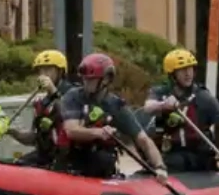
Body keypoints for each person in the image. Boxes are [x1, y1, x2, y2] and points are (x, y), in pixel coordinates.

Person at [57, 52, 166, 180]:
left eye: (91, 79)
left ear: (106, 79)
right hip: (72, 161)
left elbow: (143, 139)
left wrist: (160, 167)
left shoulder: (116, 106)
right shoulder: (73, 97)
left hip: (99, 165)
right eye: (85, 79)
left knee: (103, 158)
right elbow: (71, 130)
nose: (86, 83)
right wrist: (98, 132)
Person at [141, 47, 219, 173]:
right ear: (172, 74)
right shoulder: (161, 92)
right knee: (159, 122)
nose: (188, 74)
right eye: (182, 70)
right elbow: (148, 107)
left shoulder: (203, 97)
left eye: (190, 68)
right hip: (172, 155)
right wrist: (164, 105)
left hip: (199, 157)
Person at [9, 49, 74, 168]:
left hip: (67, 157)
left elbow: (66, 113)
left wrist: (53, 91)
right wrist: (10, 131)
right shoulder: (42, 103)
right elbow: (33, 138)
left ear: (60, 72)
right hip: (45, 156)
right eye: (41, 70)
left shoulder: (73, 94)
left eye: (48, 69)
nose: (43, 74)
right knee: (16, 165)